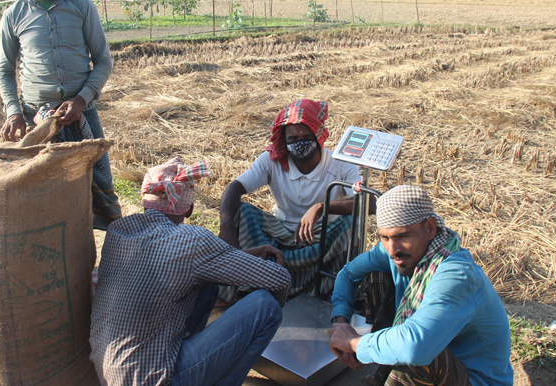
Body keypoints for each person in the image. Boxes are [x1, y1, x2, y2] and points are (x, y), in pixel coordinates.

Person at [90, 157, 291, 386]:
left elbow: (204, 260)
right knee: (265, 306)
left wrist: (243, 255)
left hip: (109, 375)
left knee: (207, 282)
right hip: (158, 379)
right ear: (190, 210)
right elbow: (279, 278)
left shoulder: (117, 232)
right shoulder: (192, 241)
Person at [328, 185, 513, 386]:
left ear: (430, 228)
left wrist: (353, 343)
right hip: (435, 362)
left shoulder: (456, 274)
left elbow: (415, 347)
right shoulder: (394, 253)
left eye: (403, 236)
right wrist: (341, 323)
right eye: (385, 237)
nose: (393, 249)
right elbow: (348, 274)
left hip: (474, 380)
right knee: (376, 278)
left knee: (415, 353)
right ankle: (384, 375)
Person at [0, 0, 120, 229]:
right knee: (42, 197)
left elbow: (103, 60)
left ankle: (102, 262)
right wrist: (13, 111)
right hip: (37, 119)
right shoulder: (14, 15)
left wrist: (82, 99)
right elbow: (5, 70)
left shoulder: (82, 7)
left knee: (99, 189)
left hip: (81, 115)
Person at [219, 99, 365, 303]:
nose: (300, 142)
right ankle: (252, 286)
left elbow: (368, 203)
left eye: (306, 136)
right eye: (293, 138)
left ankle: (329, 290)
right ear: (284, 140)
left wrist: (321, 207)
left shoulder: (340, 163)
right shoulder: (272, 160)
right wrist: (226, 231)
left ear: (318, 135)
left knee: (352, 224)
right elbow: (234, 189)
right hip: (279, 233)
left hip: (321, 236)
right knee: (241, 211)